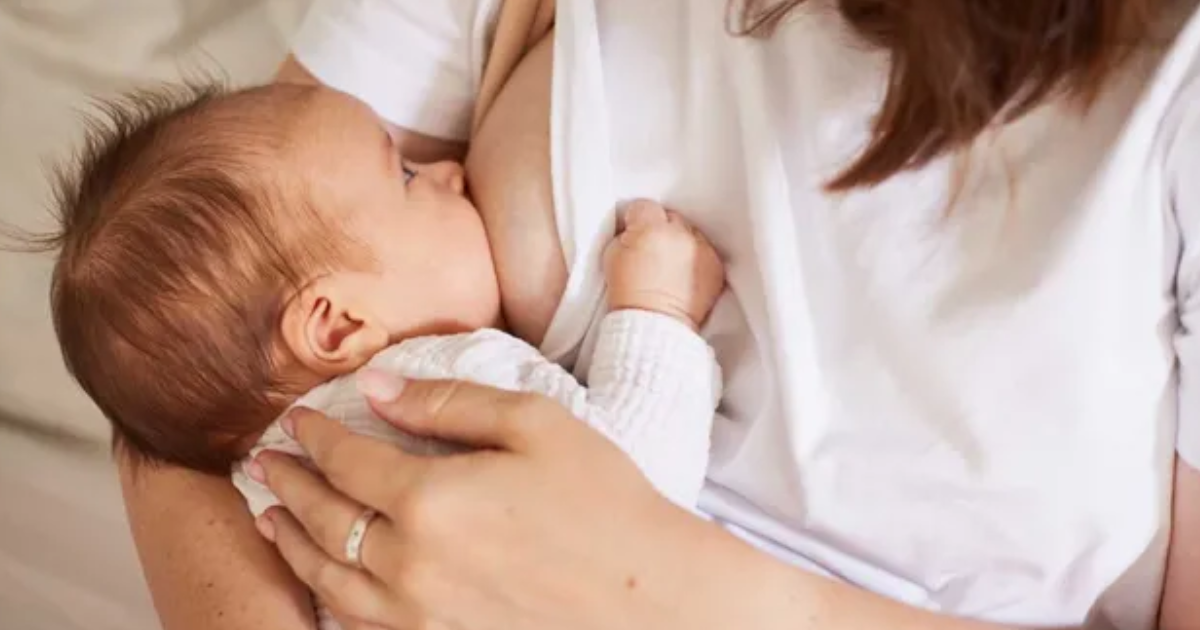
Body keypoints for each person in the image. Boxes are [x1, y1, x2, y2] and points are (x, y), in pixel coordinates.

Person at [117, 0, 1200, 628]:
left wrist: (659, 592)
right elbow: (184, 373)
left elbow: (610, 498)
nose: (439, 177)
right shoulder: (395, 382)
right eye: (410, 176)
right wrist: (653, 312)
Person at [37, 79, 725, 628]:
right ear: (337, 326)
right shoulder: (442, 382)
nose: (452, 171)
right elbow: (636, 502)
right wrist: (657, 310)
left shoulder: (263, 490)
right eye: (405, 175)